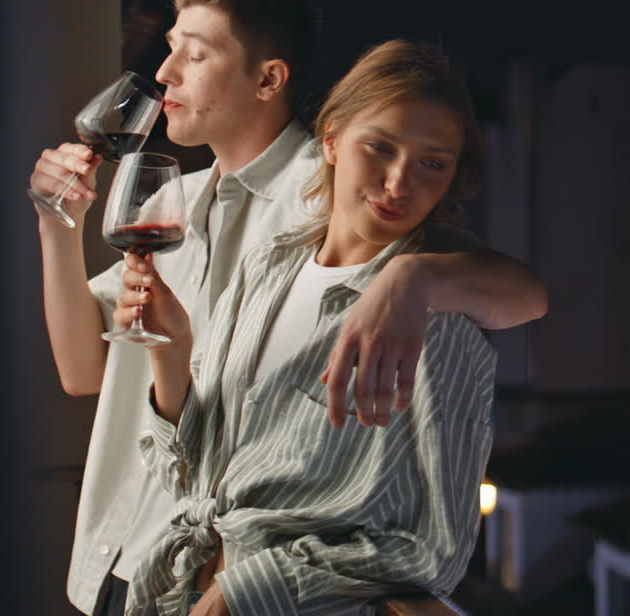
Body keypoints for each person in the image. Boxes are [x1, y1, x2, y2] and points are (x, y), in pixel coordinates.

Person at [28, 0, 547, 616]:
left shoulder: (327, 200)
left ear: (271, 79)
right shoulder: (177, 201)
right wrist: (58, 224)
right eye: (168, 50)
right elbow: (87, 372)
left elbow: (517, 292)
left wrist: (414, 279)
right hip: (132, 559)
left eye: (194, 53)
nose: (163, 75)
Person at [123, 39, 497, 616]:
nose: (400, 182)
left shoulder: (437, 326)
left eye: (433, 163)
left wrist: (248, 588)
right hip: (181, 593)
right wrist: (171, 351)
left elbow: (434, 553)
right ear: (330, 140)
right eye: (379, 146)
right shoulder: (267, 265)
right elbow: (194, 471)